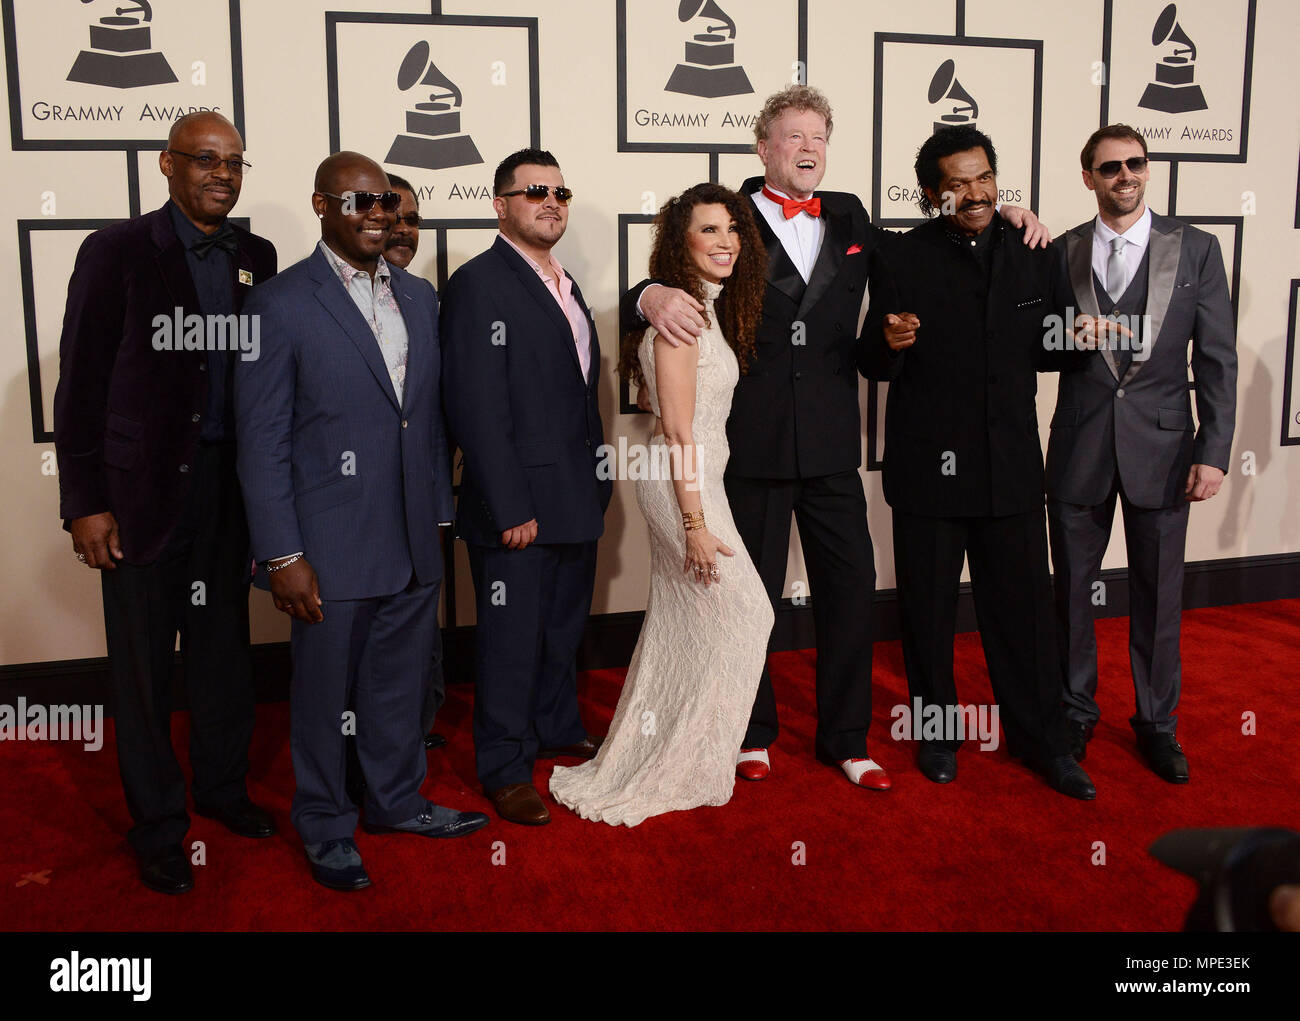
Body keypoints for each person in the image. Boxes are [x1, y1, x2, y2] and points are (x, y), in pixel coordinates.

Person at [622, 85, 1048, 789]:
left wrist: (996, 215)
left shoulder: (849, 214)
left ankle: (846, 738)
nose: (808, 147)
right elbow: (675, 260)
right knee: (748, 600)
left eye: (818, 135)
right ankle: (750, 733)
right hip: (750, 445)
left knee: (850, 594)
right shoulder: (727, 216)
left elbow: (921, 255)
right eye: (792, 135)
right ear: (762, 148)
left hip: (830, 444)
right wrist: (648, 295)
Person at [235, 151, 488, 892]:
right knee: (322, 698)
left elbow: (426, 420)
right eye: (358, 202)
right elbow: (261, 440)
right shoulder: (279, 304)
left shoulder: (419, 297)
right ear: (322, 205)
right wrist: (282, 554)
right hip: (327, 543)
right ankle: (324, 823)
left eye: (384, 202)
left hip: (415, 534)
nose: (377, 214)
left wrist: (440, 514)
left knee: (399, 686)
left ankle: (397, 800)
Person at [53, 111, 277, 895]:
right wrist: (83, 500)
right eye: (207, 160)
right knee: (145, 673)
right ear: (167, 165)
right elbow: (78, 383)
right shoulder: (115, 251)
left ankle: (221, 790)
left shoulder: (256, 256)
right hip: (141, 494)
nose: (224, 173)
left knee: (223, 657)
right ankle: (158, 824)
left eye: (235, 162)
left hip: (228, 491)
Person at [860, 125, 1096, 800]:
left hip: (1013, 470)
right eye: (958, 182)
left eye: (985, 177)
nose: (976, 192)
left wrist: (1074, 337)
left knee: (1024, 618)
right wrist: (889, 341)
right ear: (932, 193)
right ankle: (937, 733)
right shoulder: (898, 255)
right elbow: (872, 362)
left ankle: (1043, 742)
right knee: (928, 618)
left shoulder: (1035, 251)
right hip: (927, 472)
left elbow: (1050, 350)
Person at [550, 184, 774, 826]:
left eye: (731, 228)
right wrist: (696, 525)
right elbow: (677, 430)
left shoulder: (701, 309)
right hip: (684, 486)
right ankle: (680, 756)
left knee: (686, 621)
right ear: (682, 243)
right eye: (708, 230)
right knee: (744, 611)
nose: (725, 240)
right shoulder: (680, 319)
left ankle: (676, 751)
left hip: (689, 479)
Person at [1046, 124, 1237, 782]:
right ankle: (1074, 711)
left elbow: (1216, 359)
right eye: (1109, 167)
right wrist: (1066, 334)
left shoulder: (1197, 250)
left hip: (1164, 447)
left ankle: (1157, 723)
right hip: (1079, 445)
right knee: (1071, 591)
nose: (1124, 175)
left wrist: (1214, 451)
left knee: (1159, 595)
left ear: (1146, 168)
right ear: (1088, 177)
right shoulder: (1063, 250)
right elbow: (1036, 342)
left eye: (1134, 163)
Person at [440, 148, 610, 826]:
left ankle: (553, 723)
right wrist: (508, 503)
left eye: (562, 192)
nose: (552, 201)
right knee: (510, 641)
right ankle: (505, 766)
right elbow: (475, 403)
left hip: (574, 495)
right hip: (515, 507)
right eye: (535, 190)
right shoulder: (480, 283)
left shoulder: (564, 284)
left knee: (561, 629)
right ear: (500, 203)